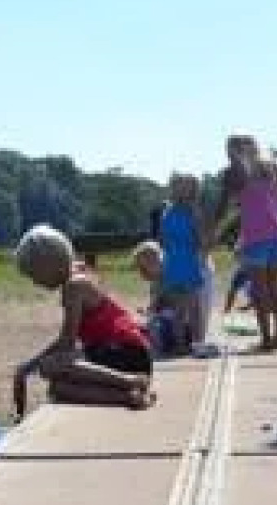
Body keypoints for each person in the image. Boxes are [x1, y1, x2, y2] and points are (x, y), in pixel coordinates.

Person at [11, 224, 154, 419]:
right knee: (58, 389)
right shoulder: (79, 274)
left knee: (49, 367)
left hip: (126, 351)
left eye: (35, 275)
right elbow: (72, 341)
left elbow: (67, 342)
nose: (36, 283)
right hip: (125, 353)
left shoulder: (73, 286)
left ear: (49, 264)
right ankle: (128, 396)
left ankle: (129, 381)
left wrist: (28, 367)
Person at [212, 134, 277, 351]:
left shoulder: (233, 174)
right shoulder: (271, 167)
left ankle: (266, 339)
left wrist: (210, 228)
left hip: (256, 235)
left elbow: (222, 206)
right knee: (275, 284)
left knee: (259, 289)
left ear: (232, 152)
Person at [157, 173, 208, 352]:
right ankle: (180, 344)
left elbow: (202, 238)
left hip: (189, 261)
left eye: (187, 187)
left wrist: (200, 257)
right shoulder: (167, 210)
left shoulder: (194, 210)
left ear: (193, 190)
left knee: (194, 306)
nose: (182, 190)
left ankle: (198, 342)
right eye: (179, 186)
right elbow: (162, 239)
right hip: (172, 262)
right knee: (178, 307)